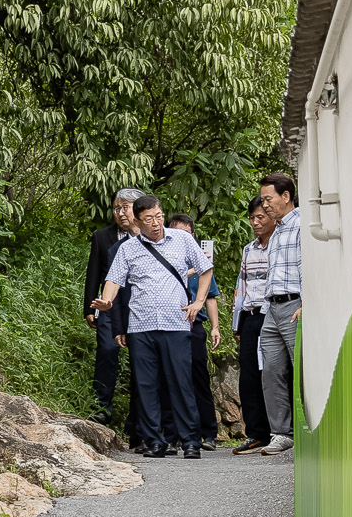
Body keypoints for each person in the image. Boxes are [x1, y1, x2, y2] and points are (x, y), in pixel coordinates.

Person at [93, 195, 207, 458]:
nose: (155, 223)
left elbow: (205, 268)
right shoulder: (128, 249)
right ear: (137, 221)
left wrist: (198, 302)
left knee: (181, 382)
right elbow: (113, 280)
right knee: (146, 385)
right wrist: (106, 301)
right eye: (148, 220)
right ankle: (155, 441)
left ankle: (190, 440)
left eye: (158, 216)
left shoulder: (182, 240)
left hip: (175, 323)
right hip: (140, 326)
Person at [83, 188, 148, 440]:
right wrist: (90, 306)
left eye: (125, 207)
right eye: (116, 208)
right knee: (107, 352)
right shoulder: (103, 237)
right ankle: (102, 408)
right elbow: (94, 273)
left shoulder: (151, 236)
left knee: (140, 360)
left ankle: (137, 420)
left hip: (139, 306)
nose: (120, 213)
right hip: (109, 305)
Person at [166, 213, 224, 447]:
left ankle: (209, 433)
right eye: (176, 232)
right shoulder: (160, 258)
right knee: (173, 380)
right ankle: (177, 434)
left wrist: (215, 328)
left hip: (194, 327)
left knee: (199, 378)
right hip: (169, 328)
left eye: (186, 233)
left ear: (192, 235)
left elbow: (210, 297)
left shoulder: (200, 263)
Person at [255, 172, 303, 456]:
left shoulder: (300, 225)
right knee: (271, 371)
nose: (265, 205)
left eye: (268, 199)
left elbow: (306, 264)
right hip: (272, 308)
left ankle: (307, 429)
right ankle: (281, 433)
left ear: (286, 196)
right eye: (263, 200)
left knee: (301, 368)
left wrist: (305, 301)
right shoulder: (278, 230)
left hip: (294, 305)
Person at [231, 197, 277, 454]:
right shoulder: (249, 249)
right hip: (249, 317)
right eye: (252, 218)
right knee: (248, 376)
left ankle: (278, 430)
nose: (256, 222)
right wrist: (237, 323)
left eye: (261, 217)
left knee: (272, 372)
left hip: (272, 314)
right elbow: (242, 286)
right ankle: (256, 433)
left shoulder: (280, 246)